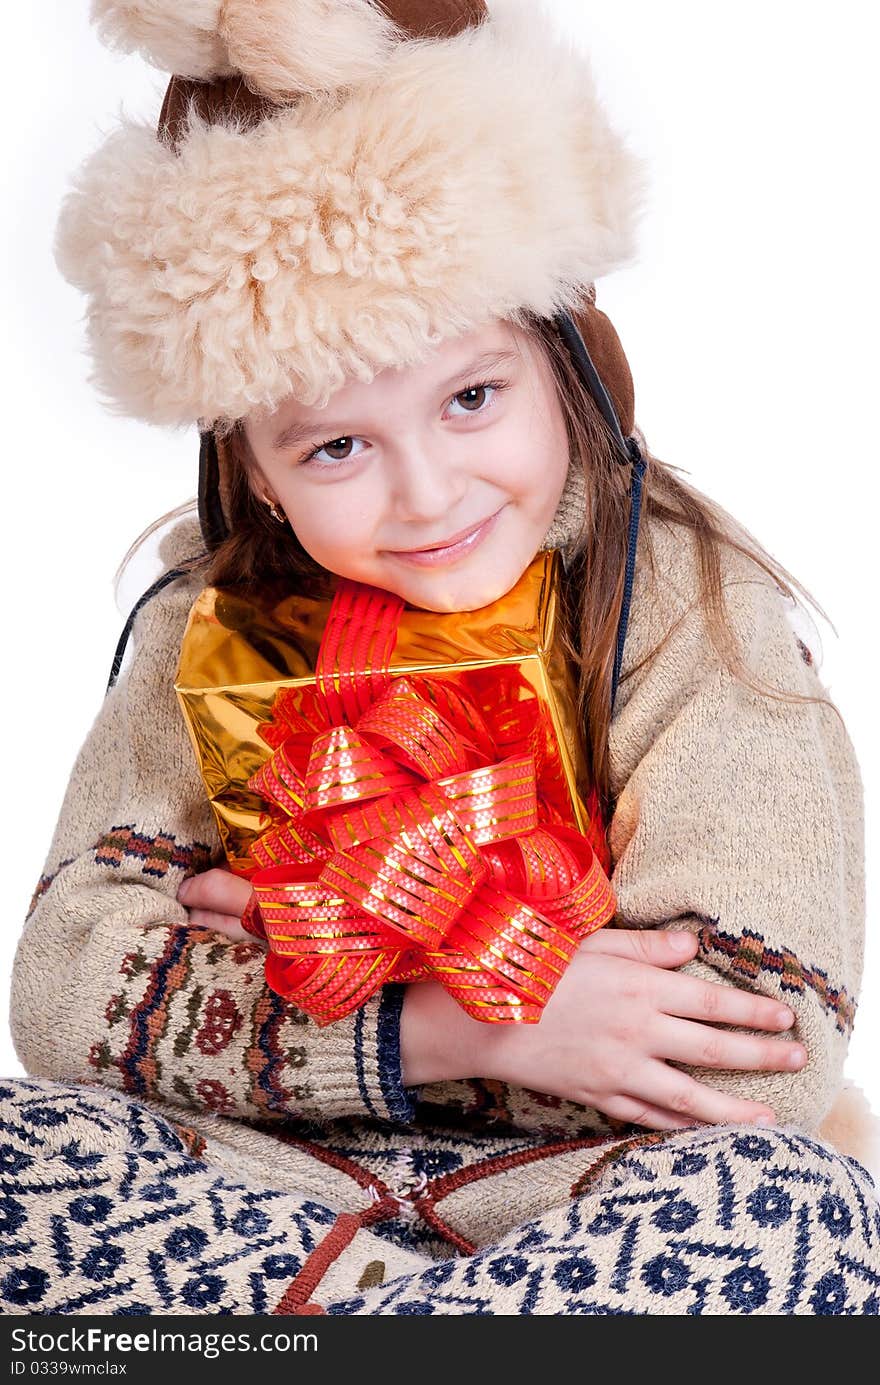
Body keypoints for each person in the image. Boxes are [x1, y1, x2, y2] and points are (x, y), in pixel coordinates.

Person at [3, 0, 878, 1316]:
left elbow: (761, 1044)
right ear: (246, 456)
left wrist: (298, 956)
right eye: (334, 447)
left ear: (573, 353)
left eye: (473, 398)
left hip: (585, 1190)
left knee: (800, 1207)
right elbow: (65, 980)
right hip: (264, 1179)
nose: (425, 493)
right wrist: (469, 1014)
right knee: (23, 1160)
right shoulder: (208, 613)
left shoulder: (695, 604)